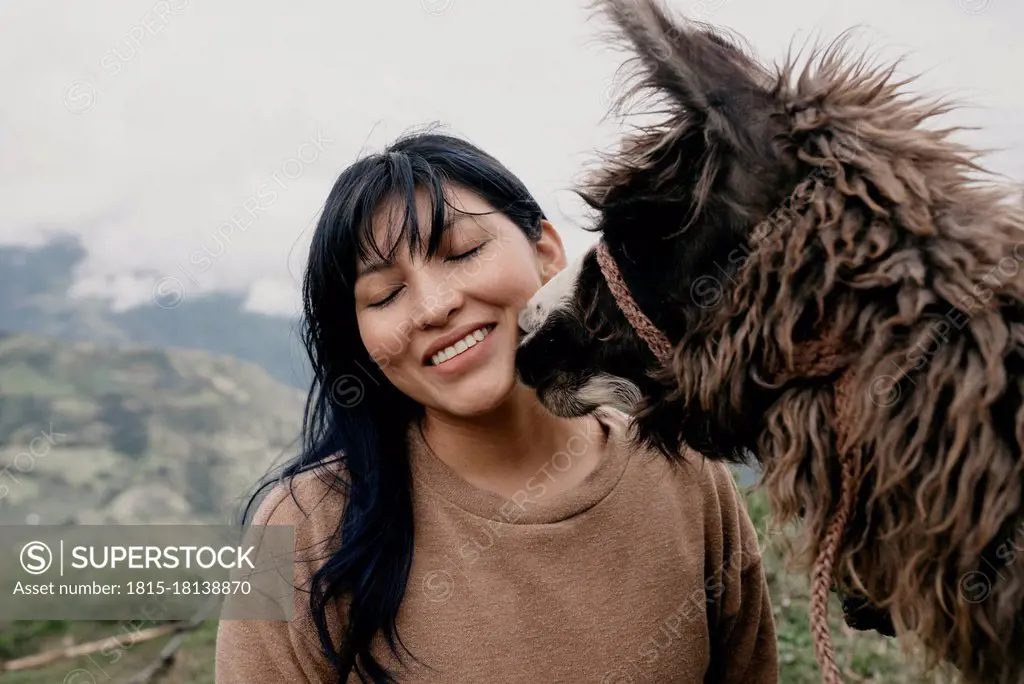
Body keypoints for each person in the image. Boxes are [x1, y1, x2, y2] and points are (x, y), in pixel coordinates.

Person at [214, 130, 778, 683]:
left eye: (463, 252)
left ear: (547, 251)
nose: (434, 307)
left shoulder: (682, 468)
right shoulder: (299, 532)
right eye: (385, 295)